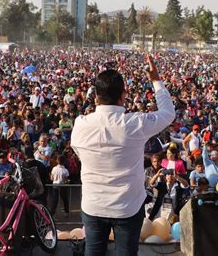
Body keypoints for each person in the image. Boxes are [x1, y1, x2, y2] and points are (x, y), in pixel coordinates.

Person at [71, 55, 175, 256]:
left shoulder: (81, 124)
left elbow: (79, 152)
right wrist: (155, 80)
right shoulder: (134, 123)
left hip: (93, 204)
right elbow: (168, 113)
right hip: (127, 207)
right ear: (123, 96)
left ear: (96, 98)